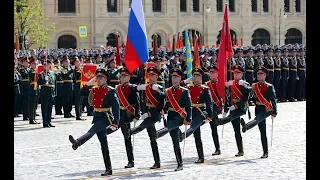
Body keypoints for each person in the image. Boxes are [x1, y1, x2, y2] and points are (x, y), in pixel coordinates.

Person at [68, 68, 120, 176]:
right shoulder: (95, 89)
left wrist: (116, 122)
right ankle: (108, 169)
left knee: (92, 131)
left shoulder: (110, 90)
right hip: (97, 116)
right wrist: (90, 81)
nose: (98, 80)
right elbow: (81, 92)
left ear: (106, 79)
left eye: (101, 78)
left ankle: (77, 142)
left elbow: (116, 107)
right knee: (103, 144)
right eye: (97, 78)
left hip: (106, 117)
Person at [156, 68, 192, 171]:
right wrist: (164, 109)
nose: (173, 78)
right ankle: (180, 163)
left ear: (180, 78)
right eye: (172, 76)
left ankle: (157, 134)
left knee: (169, 127)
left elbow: (188, 106)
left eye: (176, 77)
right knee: (175, 141)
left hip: (179, 117)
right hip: (171, 115)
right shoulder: (168, 91)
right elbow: (167, 105)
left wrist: (188, 119)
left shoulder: (184, 91)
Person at [131, 66, 165, 169]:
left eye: (153, 75)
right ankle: (157, 162)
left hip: (155, 114)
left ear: (157, 76)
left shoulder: (159, 88)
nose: (150, 77)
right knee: (152, 138)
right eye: (149, 75)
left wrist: (149, 114)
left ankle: (133, 131)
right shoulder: (146, 87)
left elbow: (161, 104)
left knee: (143, 126)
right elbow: (143, 100)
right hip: (147, 113)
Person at [106, 67, 140, 168]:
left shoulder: (132, 88)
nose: (122, 78)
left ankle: (105, 132)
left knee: (117, 127)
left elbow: (136, 102)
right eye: (121, 76)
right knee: (127, 137)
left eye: (124, 76)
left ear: (129, 77)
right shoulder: (117, 88)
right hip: (120, 113)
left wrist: (137, 114)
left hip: (128, 114)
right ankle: (131, 160)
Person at [214, 65, 252, 157]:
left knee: (230, 117)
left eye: (238, 73)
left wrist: (243, 84)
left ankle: (219, 122)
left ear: (242, 74)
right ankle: (240, 150)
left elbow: (248, 93)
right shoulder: (232, 83)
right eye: (234, 73)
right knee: (236, 130)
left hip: (241, 107)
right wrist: (227, 108)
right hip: (232, 106)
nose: (235, 74)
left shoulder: (244, 83)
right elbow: (228, 96)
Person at [240, 66, 277, 158]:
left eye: (261, 74)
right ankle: (265, 152)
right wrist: (243, 84)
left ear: (265, 75)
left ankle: (246, 126)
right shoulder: (254, 85)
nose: (259, 76)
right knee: (262, 130)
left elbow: (273, 99)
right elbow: (248, 90)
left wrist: (275, 111)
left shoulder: (269, 86)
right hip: (258, 107)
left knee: (257, 119)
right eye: (258, 74)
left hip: (266, 109)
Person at [179, 68, 213, 163]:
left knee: (194, 126)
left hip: (200, 112)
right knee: (196, 135)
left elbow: (209, 103)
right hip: (190, 111)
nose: (195, 77)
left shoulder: (205, 89)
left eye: (197, 76)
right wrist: (187, 80)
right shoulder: (189, 88)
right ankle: (201, 156)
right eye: (194, 75)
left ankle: (182, 136)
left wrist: (209, 115)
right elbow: (179, 85)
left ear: (201, 77)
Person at [204, 65, 223, 156]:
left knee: (214, 127)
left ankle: (217, 148)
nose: (211, 74)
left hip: (217, 107)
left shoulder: (220, 83)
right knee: (213, 128)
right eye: (210, 72)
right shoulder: (207, 84)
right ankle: (217, 148)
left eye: (213, 72)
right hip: (209, 108)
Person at [37, 59, 56, 128]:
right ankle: (45, 122)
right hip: (44, 91)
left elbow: (54, 83)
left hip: (51, 91)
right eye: (45, 65)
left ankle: (49, 121)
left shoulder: (52, 73)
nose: (46, 66)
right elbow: (38, 82)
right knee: (44, 107)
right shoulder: (41, 73)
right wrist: (44, 80)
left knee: (50, 107)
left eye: (48, 65)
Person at [28, 57, 40, 124]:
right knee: (32, 104)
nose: (35, 65)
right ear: (31, 64)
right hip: (32, 88)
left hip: (37, 88)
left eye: (36, 64)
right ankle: (31, 119)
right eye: (33, 64)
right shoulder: (31, 71)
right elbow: (34, 76)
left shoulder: (36, 71)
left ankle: (34, 118)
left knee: (35, 104)